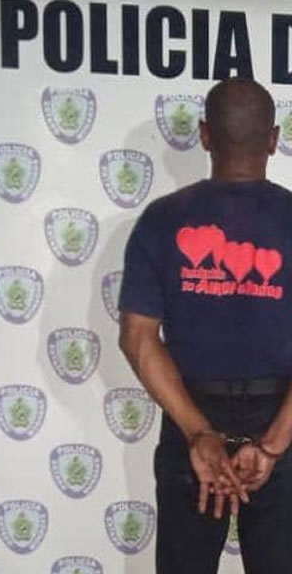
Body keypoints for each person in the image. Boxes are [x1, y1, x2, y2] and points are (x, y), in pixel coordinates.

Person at [118, 77, 292, 574]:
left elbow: (137, 338)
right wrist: (274, 443)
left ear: (204, 135)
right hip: (283, 418)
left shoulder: (161, 220)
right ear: (274, 139)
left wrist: (198, 433)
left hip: (190, 417)